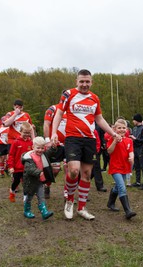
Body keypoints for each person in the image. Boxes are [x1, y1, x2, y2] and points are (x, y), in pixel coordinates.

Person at [51, 69, 120, 220]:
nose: (84, 84)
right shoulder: (68, 94)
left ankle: (82, 208)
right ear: (76, 81)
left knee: (87, 174)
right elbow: (59, 114)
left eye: (87, 81)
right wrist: (54, 132)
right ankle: (69, 201)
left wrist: (113, 132)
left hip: (89, 139)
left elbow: (99, 119)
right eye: (81, 81)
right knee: (74, 171)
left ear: (91, 82)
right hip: (72, 138)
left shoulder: (95, 98)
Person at [106, 119, 137, 219]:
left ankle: (110, 203)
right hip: (115, 168)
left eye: (124, 128)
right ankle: (128, 211)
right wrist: (115, 141)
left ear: (127, 129)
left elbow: (131, 151)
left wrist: (132, 157)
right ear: (114, 129)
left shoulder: (129, 141)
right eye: (119, 128)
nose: (122, 130)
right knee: (122, 187)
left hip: (125, 168)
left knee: (118, 187)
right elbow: (109, 151)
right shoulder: (112, 139)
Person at [21, 137, 55, 220]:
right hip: (30, 182)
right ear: (33, 147)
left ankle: (44, 212)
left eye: (42, 148)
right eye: (38, 148)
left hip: (40, 181)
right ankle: (27, 210)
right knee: (29, 197)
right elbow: (29, 169)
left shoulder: (43, 155)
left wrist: (53, 147)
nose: (40, 150)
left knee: (41, 196)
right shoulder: (29, 158)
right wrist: (38, 172)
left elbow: (50, 152)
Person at [7, 122, 33, 202]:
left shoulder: (31, 143)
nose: (27, 134)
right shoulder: (16, 142)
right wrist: (11, 166)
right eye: (25, 132)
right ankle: (12, 191)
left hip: (27, 167)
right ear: (20, 131)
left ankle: (25, 197)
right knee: (16, 181)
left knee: (26, 182)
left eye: (29, 133)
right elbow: (11, 155)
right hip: (17, 168)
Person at [130, 114, 143, 190]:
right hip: (135, 149)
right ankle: (138, 181)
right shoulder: (134, 128)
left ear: (137, 120)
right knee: (137, 166)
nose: (133, 121)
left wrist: (135, 139)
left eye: (134, 120)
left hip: (141, 149)